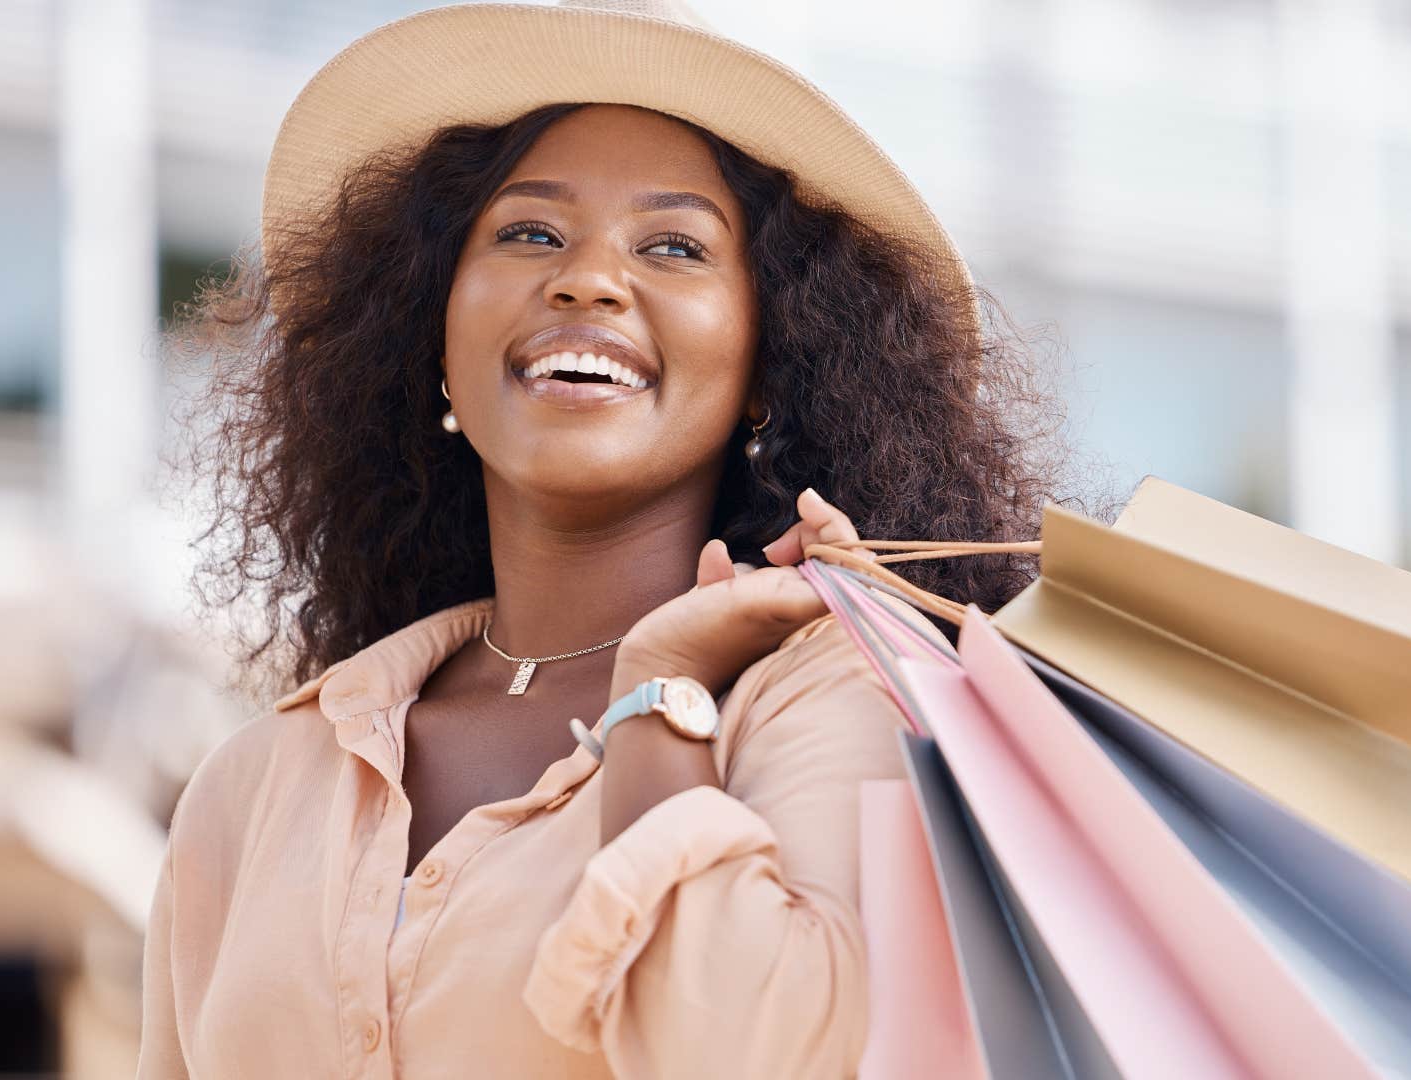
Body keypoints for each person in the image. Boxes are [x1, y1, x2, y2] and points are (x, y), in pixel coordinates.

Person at [138, 2, 1067, 1077]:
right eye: (530, 232)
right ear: (430, 332)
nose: (585, 278)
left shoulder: (834, 706)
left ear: (774, 359)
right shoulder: (256, 786)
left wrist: (663, 694)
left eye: (674, 246)